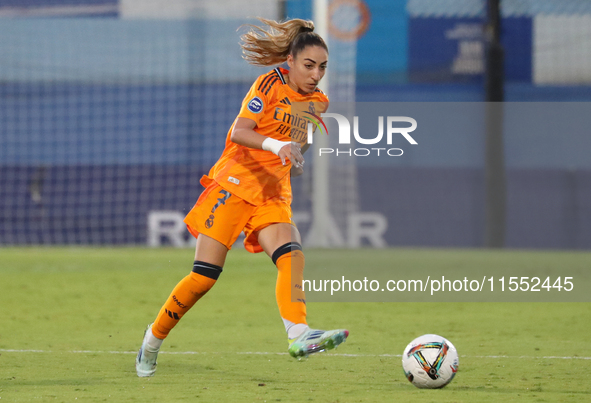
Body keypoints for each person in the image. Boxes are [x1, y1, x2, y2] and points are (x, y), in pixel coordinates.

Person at [135, 17, 348, 377]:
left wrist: (295, 153)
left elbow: (303, 139)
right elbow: (240, 131)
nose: (316, 74)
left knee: (292, 256)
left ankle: (298, 333)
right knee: (203, 278)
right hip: (235, 183)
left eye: (322, 67)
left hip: (272, 192)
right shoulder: (269, 83)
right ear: (291, 62)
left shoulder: (318, 102)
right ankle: (152, 340)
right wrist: (276, 144)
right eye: (309, 65)